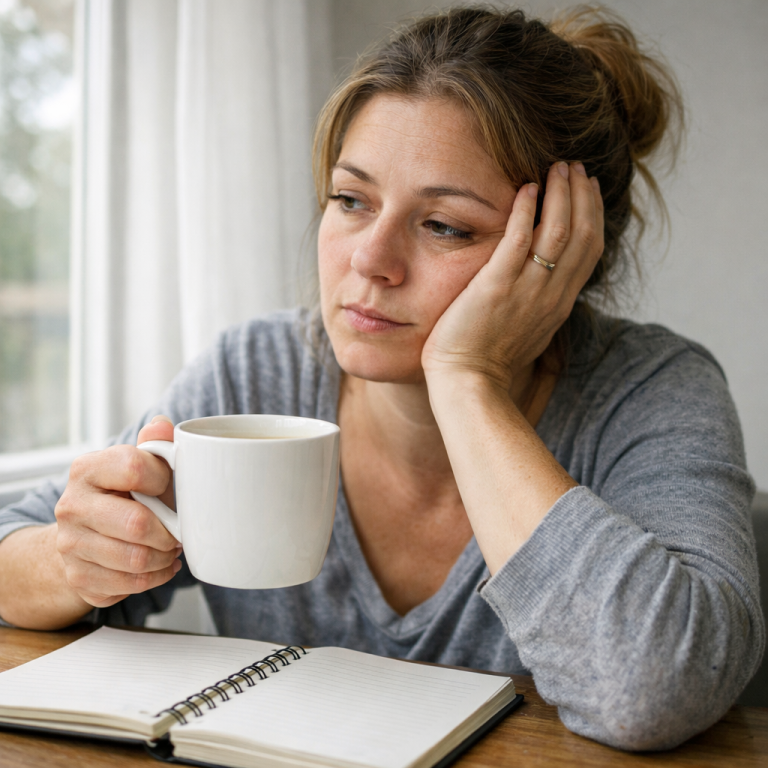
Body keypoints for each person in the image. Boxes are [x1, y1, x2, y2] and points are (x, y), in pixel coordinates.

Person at [0, 5, 763, 752]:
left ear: (558, 253)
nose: (369, 259)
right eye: (351, 200)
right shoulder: (257, 376)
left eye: (445, 226)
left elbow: (656, 690)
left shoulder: (651, 392)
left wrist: (467, 378)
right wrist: (74, 560)